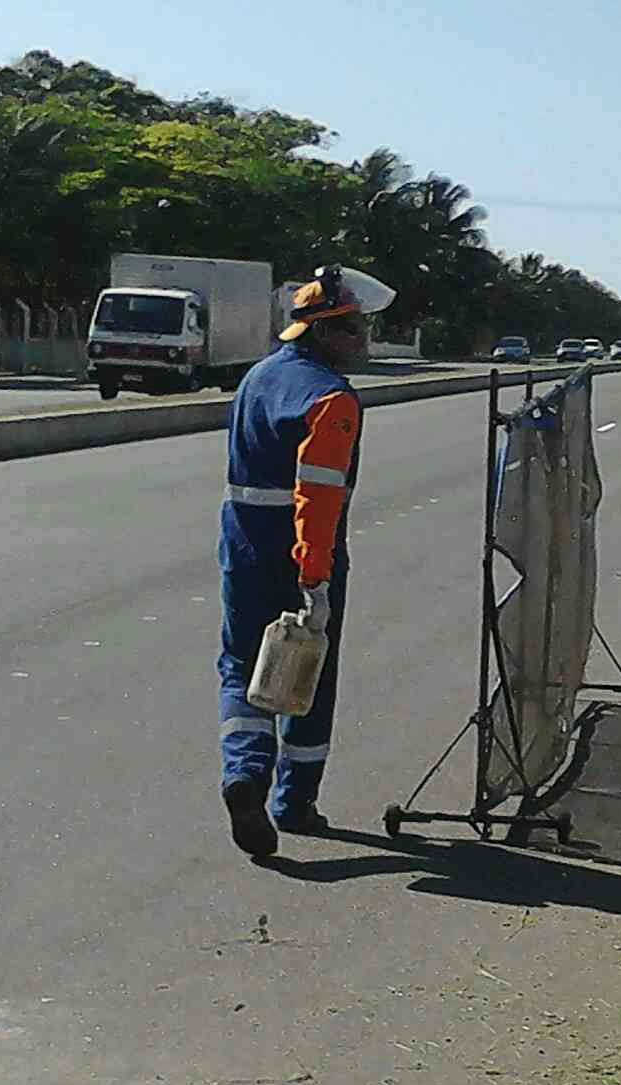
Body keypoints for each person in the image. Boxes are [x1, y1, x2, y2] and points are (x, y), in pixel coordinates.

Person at [216, 264, 391, 858]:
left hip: (241, 545)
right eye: (356, 330)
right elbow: (317, 494)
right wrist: (314, 575)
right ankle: (293, 801)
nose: (364, 340)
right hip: (298, 551)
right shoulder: (332, 399)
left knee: (244, 664)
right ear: (327, 333)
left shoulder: (258, 378)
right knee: (308, 671)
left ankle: (244, 772)